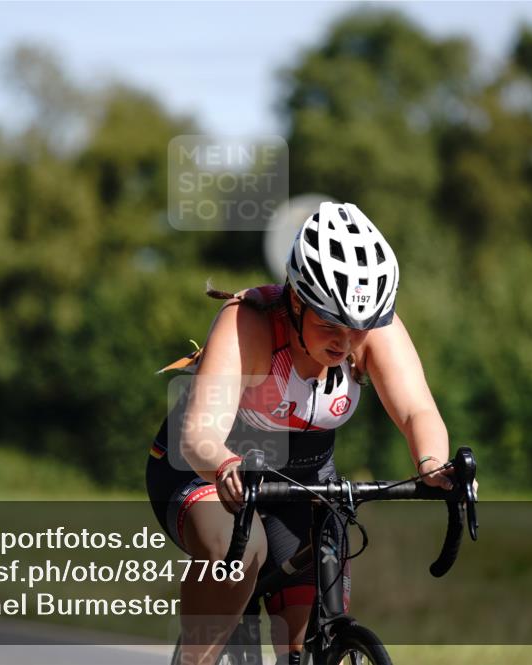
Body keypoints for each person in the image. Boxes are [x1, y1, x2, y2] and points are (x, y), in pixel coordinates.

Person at [146, 202, 458, 665]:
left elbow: (417, 410)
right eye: (329, 324)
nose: (345, 342)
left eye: (358, 329)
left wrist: (432, 463)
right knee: (240, 546)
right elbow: (200, 434)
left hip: (304, 478)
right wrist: (227, 465)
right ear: (296, 301)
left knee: (306, 638)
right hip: (205, 467)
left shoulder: (374, 328)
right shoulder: (249, 322)